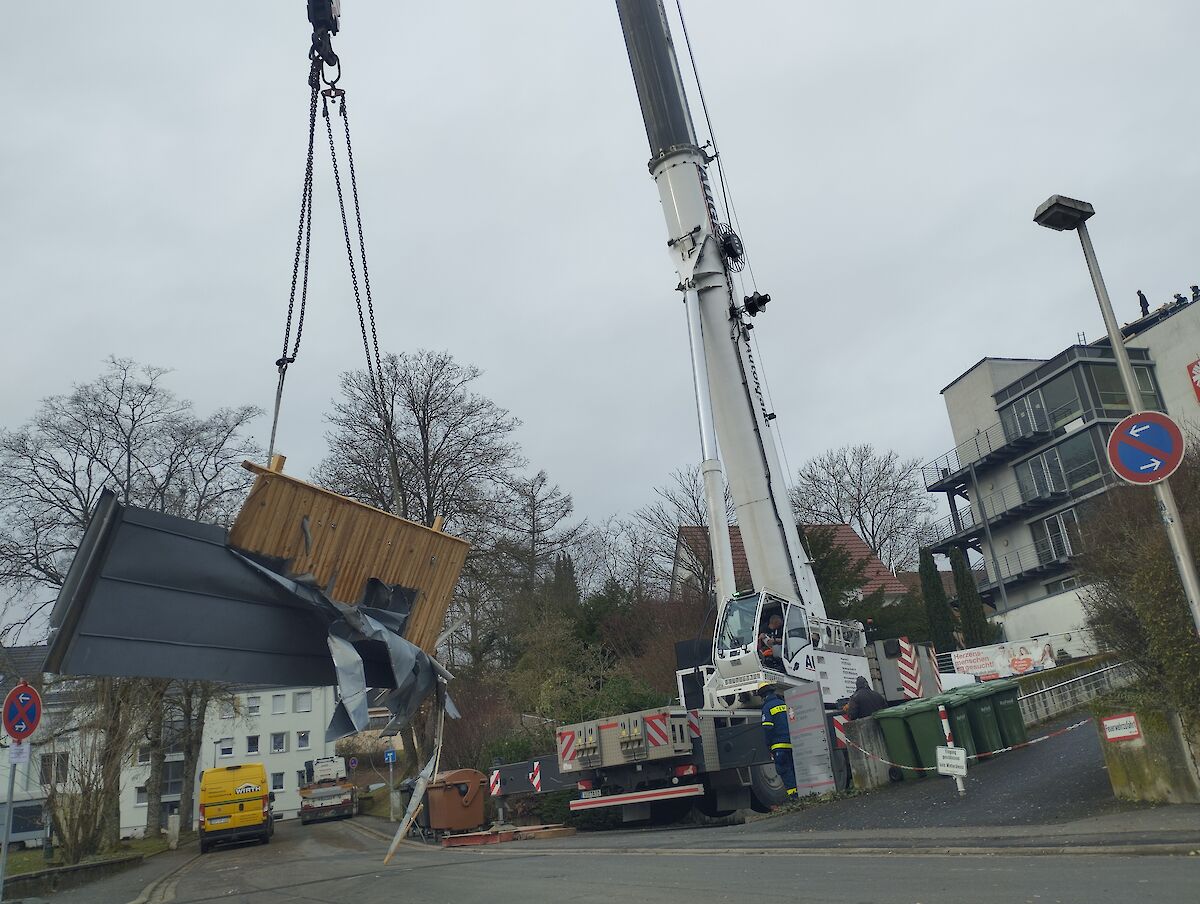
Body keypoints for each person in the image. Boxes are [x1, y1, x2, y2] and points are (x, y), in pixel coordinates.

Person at [758, 682, 796, 800]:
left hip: (778, 745)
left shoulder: (767, 707)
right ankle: (801, 794)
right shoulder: (784, 704)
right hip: (791, 743)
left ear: (762, 696)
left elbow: (768, 727)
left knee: (784, 770)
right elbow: (793, 720)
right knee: (793, 768)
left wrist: (768, 744)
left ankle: (794, 797)